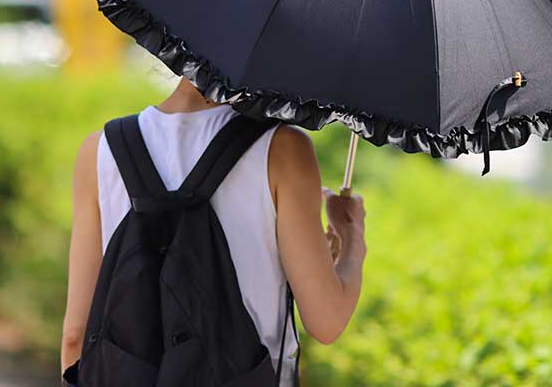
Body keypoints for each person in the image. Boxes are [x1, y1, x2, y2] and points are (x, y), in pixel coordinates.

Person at [61, 76, 368, 384]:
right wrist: (352, 238)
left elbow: (77, 335)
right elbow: (326, 321)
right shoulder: (284, 149)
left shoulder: (100, 150)